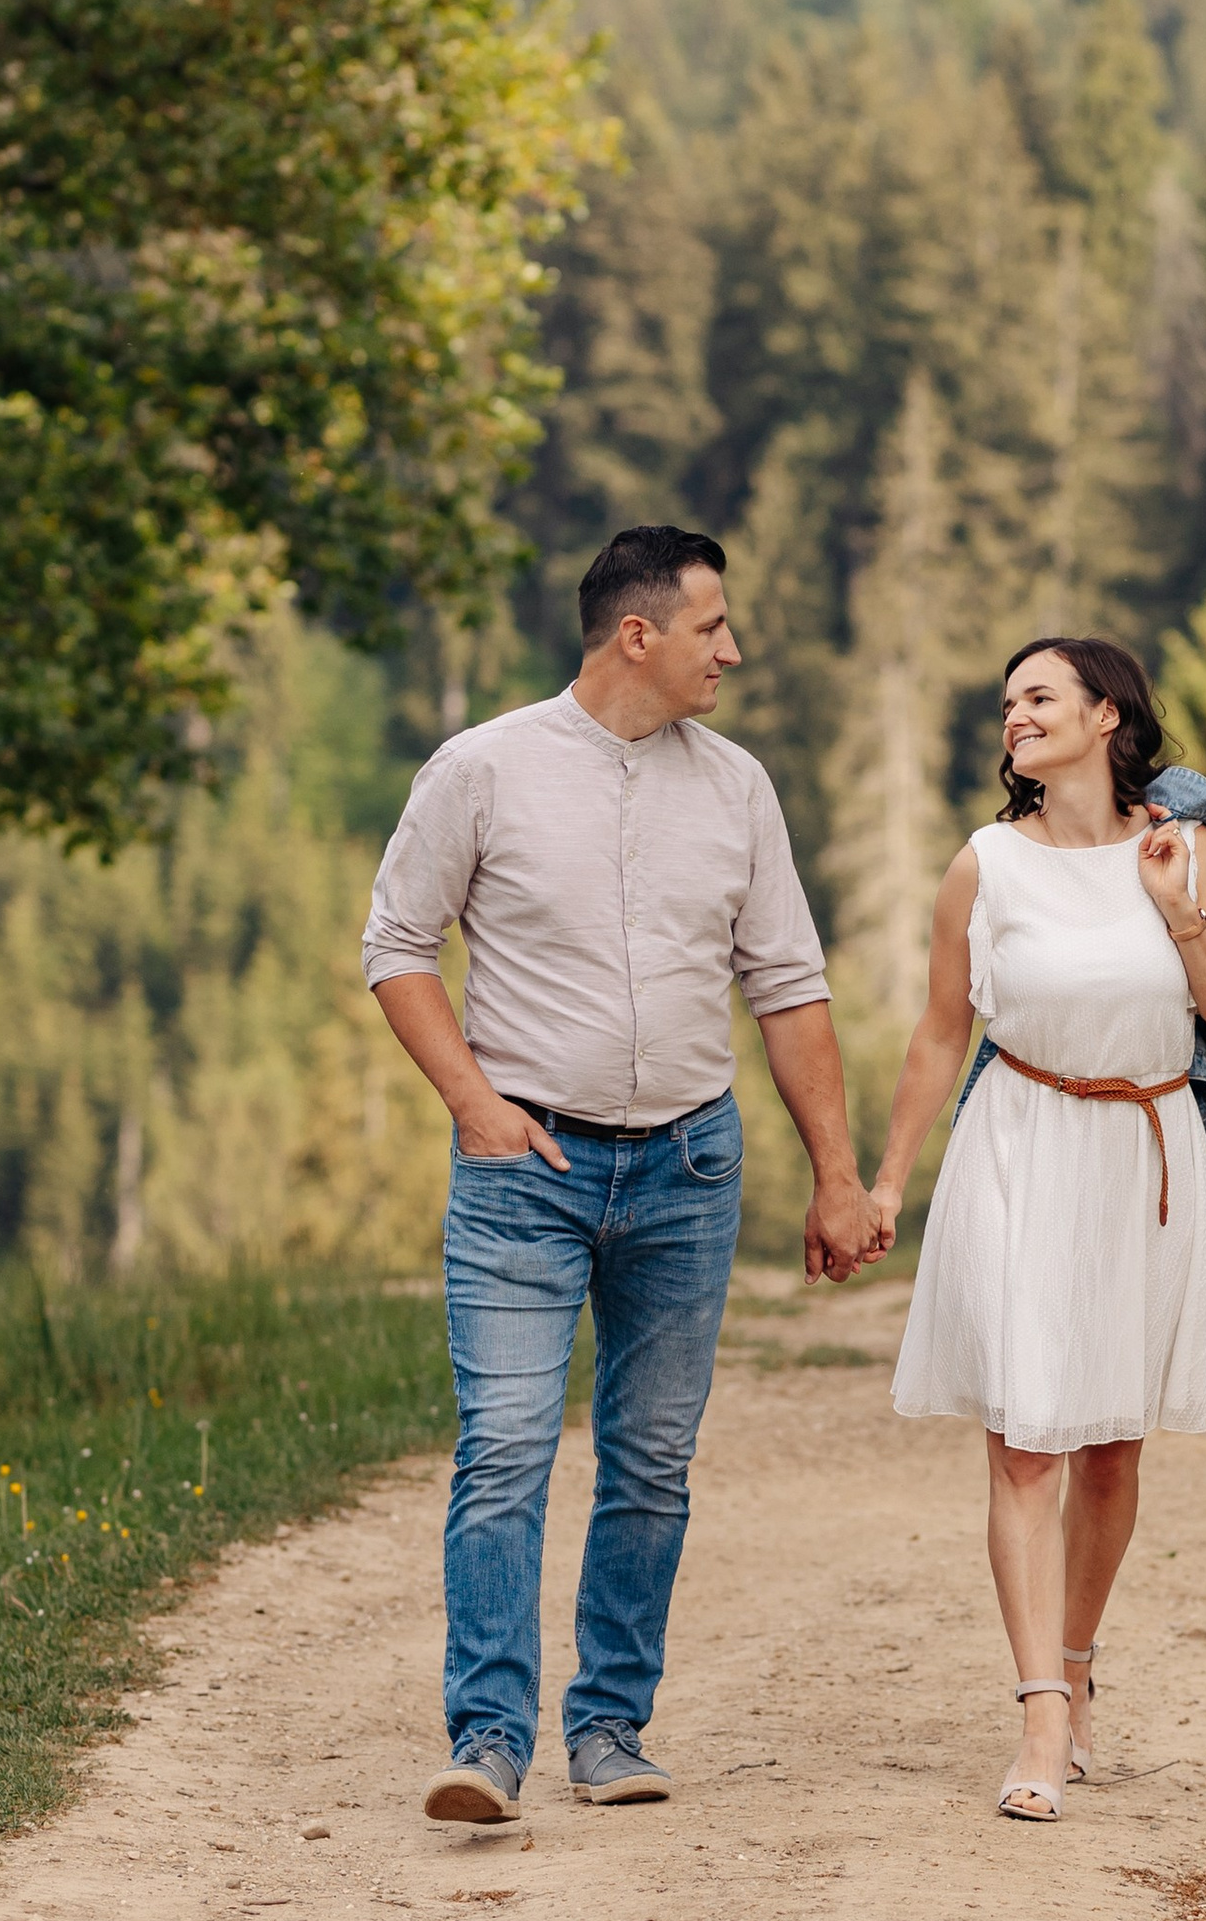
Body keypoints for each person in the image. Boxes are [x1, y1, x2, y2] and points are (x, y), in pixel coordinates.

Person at [361, 526, 877, 1824]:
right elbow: (398, 945)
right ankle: (488, 1738)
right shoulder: (483, 770)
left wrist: (838, 1175)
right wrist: (473, 1105)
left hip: (689, 1166)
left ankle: (608, 1727)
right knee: (508, 1449)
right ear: (636, 634)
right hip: (523, 1164)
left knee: (650, 1458)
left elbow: (790, 984)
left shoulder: (738, 787)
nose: (734, 651)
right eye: (715, 627)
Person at [870, 636, 1206, 1820]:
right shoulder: (984, 864)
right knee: (1025, 1445)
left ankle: (1082, 1663)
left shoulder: (1182, 848)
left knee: (1109, 1450)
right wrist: (890, 1180)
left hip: (1142, 1155)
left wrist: (1177, 910)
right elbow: (943, 1033)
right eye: (1005, 705)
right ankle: (1040, 1713)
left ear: (1107, 715)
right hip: (1020, 1146)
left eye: (1038, 697)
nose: (1015, 718)